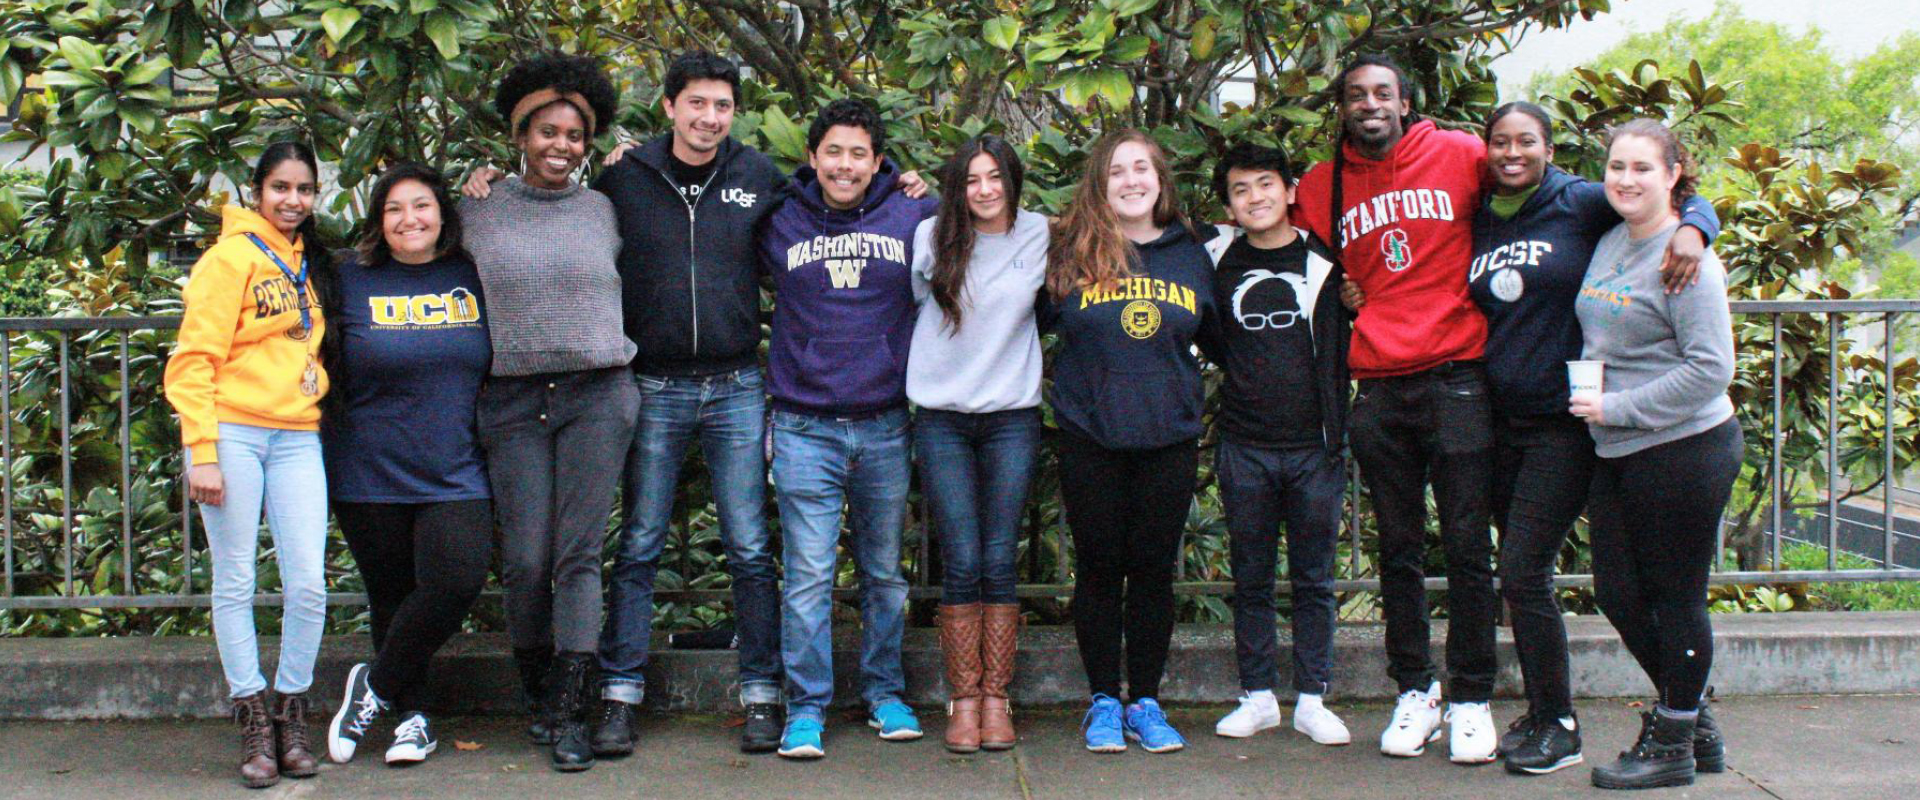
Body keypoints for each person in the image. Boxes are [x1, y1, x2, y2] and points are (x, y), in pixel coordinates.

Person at [1294, 53, 1704, 763]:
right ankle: (1419, 690)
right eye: (1356, 94)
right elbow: (1312, 248)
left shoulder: (1466, 158)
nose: (1370, 104)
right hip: (1393, 388)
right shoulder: (1321, 187)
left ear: (1406, 101)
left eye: (1383, 93)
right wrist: (1353, 291)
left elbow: (1644, 198)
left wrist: (1697, 225)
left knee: (1475, 552)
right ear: (1341, 105)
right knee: (1401, 551)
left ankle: (1478, 698)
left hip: (1466, 383)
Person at [1464, 102, 1717, 776]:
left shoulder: (1582, 202)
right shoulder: (1484, 211)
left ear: (1550, 149)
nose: (1512, 152)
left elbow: (1667, 198)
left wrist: (1698, 227)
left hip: (1576, 426)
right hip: (1514, 423)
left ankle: (1563, 723)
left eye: (1527, 141)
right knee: (1586, 585)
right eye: (1500, 142)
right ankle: (1690, 716)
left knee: (1525, 572)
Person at [461, 52, 639, 772]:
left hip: (599, 394)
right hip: (512, 400)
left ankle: (570, 707)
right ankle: (538, 684)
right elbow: (409, 248)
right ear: (519, 135)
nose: (562, 146)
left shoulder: (606, 206)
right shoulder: (477, 206)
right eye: (548, 132)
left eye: (575, 135)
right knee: (527, 557)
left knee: (577, 556)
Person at [759, 97, 938, 759]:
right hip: (804, 425)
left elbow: (981, 232)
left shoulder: (914, 210)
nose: (844, 164)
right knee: (807, 576)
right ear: (812, 158)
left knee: (884, 574)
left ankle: (885, 693)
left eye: (858, 153)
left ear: (878, 161)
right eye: (832, 151)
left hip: (886, 424)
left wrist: (932, 187)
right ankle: (805, 708)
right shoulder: (776, 216)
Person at [1572, 118, 1740, 791]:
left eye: (1643, 167)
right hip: (1617, 449)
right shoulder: (1613, 238)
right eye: (1617, 166)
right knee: (1616, 592)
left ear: (1674, 175)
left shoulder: (1687, 258)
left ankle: (1674, 739)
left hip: (1685, 446)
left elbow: (1710, 370)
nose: (1626, 179)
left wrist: (1617, 408)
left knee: (1676, 596)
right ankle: (1692, 720)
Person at [1042, 130, 1217, 755]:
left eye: (1142, 168)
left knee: (1150, 575)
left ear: (1161, 179)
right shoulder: (1069, 250)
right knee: (1096, 571)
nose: (1131, 180)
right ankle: (1100, 704)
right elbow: (1016, 325)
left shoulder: (1193, 253)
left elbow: (1225, 339)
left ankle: (1144, 700)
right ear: (1100, 183)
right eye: (1117, 171)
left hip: (1167, 438)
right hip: (1091, 436)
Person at [164, 141, 332, 789]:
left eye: (304, 190)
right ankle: (254, 722)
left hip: (297, 436)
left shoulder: (310, 262)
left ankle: (293, 711)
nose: (293, 200)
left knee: (308, 585)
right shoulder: (228, 258)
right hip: (231, 432)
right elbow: (193, 360)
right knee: (235, 581)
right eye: (281, 188)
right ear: (256, 189)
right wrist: (201, 451)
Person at [318, 163, 493, 767]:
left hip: (455, 467)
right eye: (394, 209)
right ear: (378, 220)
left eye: (420, 205)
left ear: (443, 214)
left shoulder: (473, 273)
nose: (409, 219)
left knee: (458, 577)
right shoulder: (347, 279)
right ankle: (413, 718)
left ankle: (374, 686)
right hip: (367, 467)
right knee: (391, 597)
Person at [1195, 144, 1352, 747]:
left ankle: (1313, 698)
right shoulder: (1215, 257)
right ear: (1229, 204)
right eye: (1240, 188)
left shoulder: (1328, 260)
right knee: (1251, 574)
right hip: (1244, 442)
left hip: (1315, 445)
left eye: (1266, 184)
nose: (1255, 196)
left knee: (1314, 578)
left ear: (1291, 191)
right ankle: (1257, 696)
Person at [907, 135, 1046, 753]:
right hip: (941, 416)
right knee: (961, 556)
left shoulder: (1043, 234)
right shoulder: (932, 237)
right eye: (971, 180)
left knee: (998, 555)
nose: (985, 190)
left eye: (995, 177)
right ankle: (963, 699)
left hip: (1012, 415)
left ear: (1013, 179)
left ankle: (997, 697)